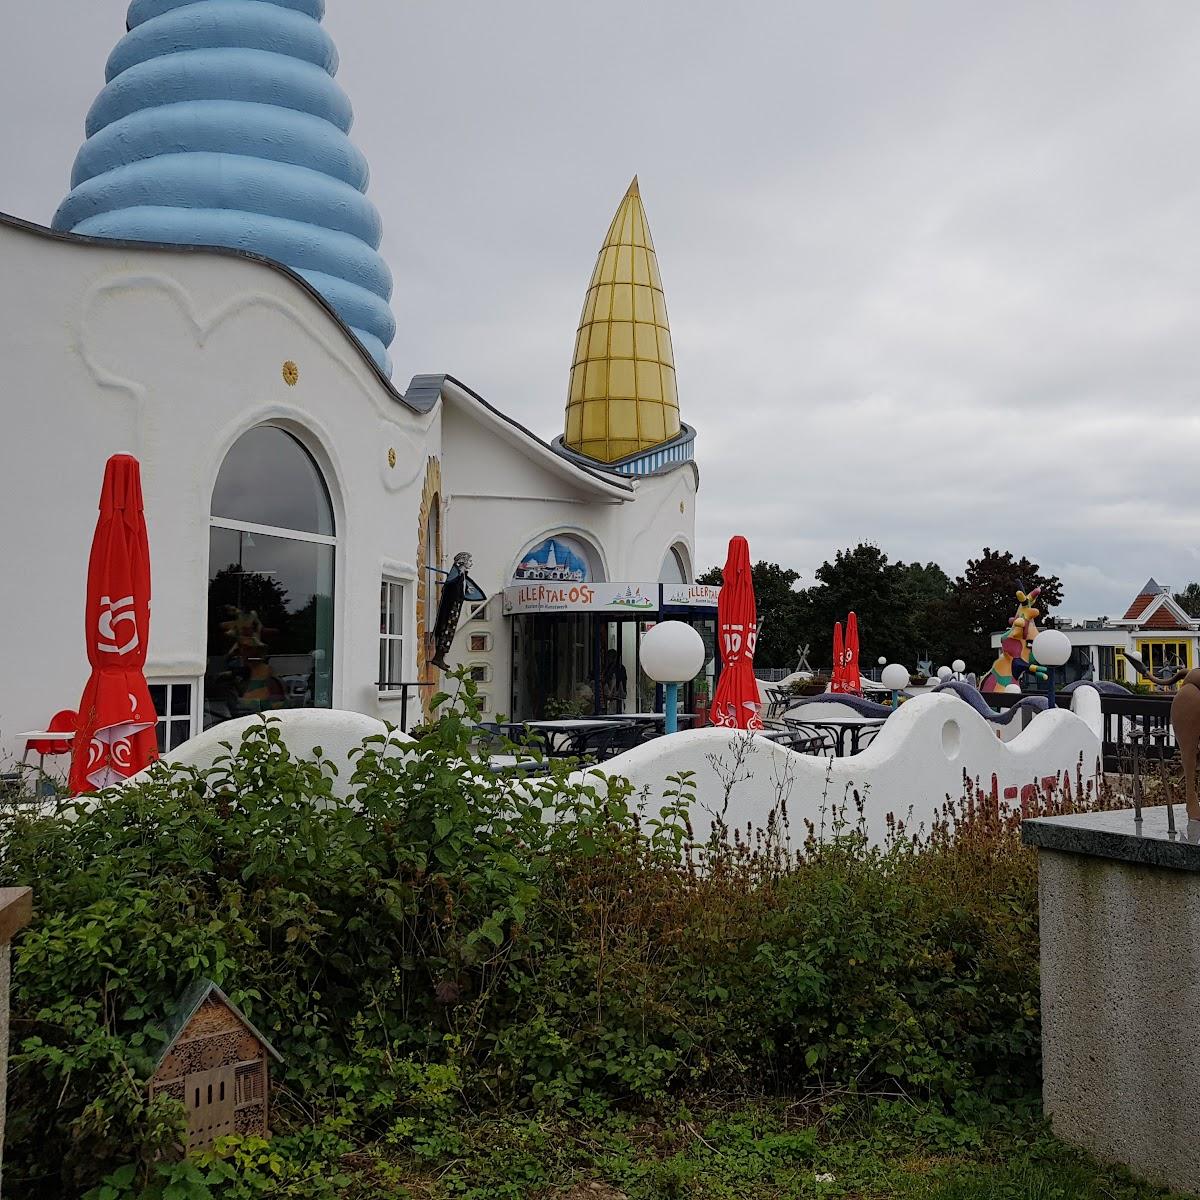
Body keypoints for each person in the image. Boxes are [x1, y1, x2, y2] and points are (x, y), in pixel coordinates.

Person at [602, 648, 627, 715]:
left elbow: (621, 683)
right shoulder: (609, 668)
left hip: (615, 698)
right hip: (613, 698)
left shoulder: (616, 668)